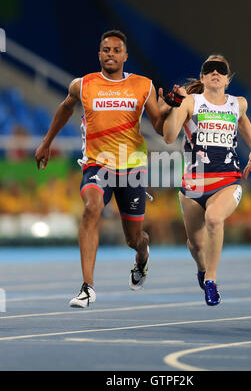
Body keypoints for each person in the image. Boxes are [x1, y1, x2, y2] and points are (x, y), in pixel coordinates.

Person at [35, 30, 167, 308]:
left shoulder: (143, 86)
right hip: (97, 164)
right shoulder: (83, 85)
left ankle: (142, 257)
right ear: (99, 54)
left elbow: (158, 125)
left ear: (125, 56)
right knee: (91, 207)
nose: (110, 54)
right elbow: (65, 108)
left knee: (134, 239)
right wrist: (47, 142)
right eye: (106, 49)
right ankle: (88, 287)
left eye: (116, 50)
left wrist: (170, 110)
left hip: (131, 168)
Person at [161, 55, 251, 306]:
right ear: (203, 77)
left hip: (227, 181)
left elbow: (243, 120)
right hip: (193, 185)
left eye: (221, 70)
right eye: (209, 69)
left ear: (227, 79)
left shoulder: (238, 104)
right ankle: (203, 269)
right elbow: (169, 137)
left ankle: (211, 281)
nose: (215, 72)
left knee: (214, 218)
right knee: (195, 244)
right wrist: (174, 106)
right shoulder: (191, 102)